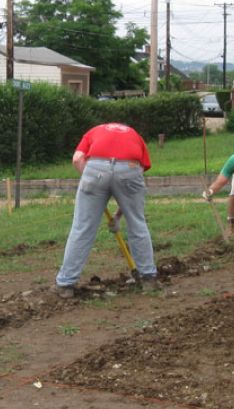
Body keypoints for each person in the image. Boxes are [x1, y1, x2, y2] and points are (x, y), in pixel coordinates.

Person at [55, 123, 158, 298]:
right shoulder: (135, 136)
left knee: (82, 228)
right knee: (137, 224)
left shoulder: (92, 132)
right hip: (131, 168)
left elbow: (77, 159)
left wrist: (92, 182)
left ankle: (66, 284)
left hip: (95, 169)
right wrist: (119, 216)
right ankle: (148, 278)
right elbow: (134, 183)